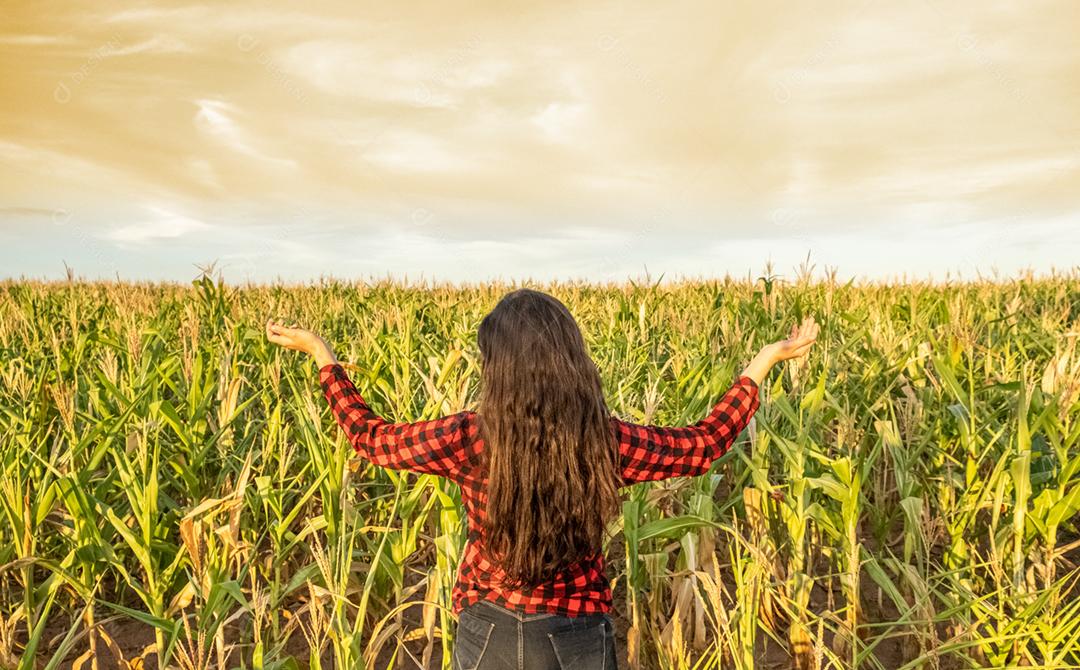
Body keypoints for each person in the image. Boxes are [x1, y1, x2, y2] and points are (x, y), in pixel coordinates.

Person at [266, 288, 818, 670]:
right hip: (578, 636)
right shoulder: (604, 442)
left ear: (497, 369)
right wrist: (762, 363)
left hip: (488, 630)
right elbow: (703, 446)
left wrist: (323, 356)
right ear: (570, 360)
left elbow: (372, 439)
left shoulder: (468, 438)